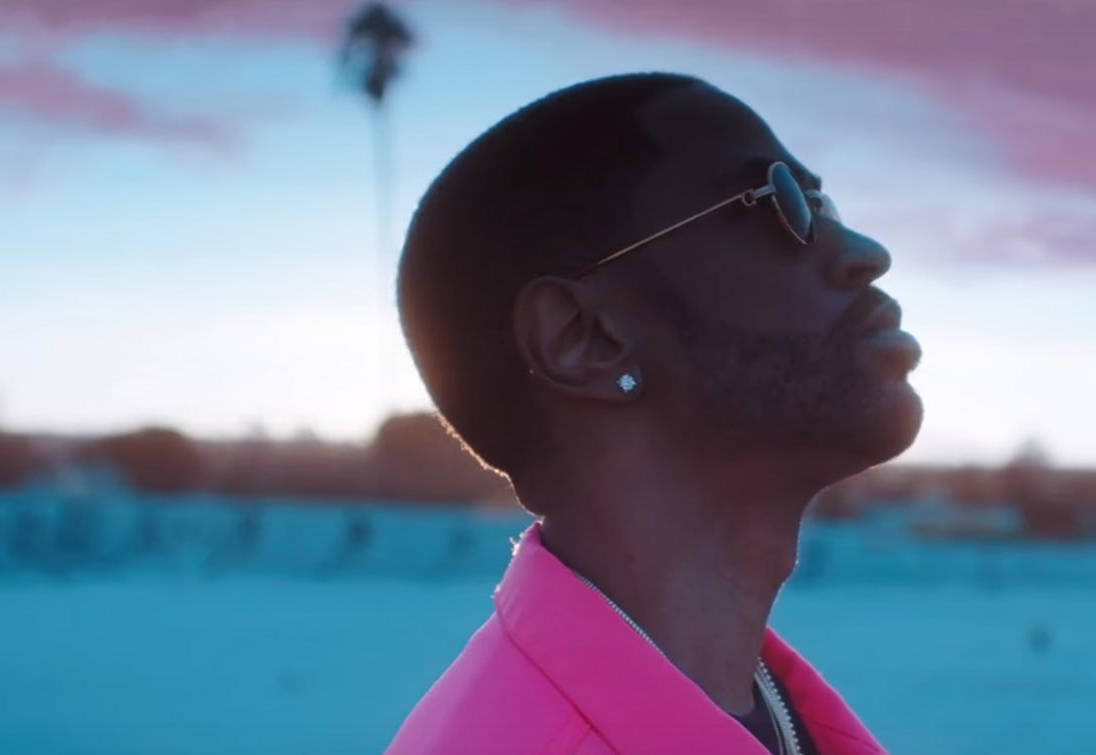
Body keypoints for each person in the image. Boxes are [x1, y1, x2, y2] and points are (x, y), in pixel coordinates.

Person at [386, 72, 923, 755]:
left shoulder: (780, 717)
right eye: (782, 203)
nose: (866, 254)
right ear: (585, 338)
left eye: (827, 205)